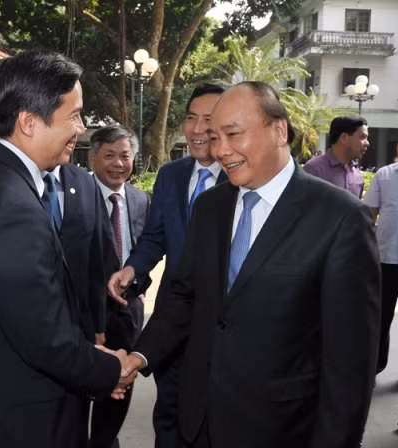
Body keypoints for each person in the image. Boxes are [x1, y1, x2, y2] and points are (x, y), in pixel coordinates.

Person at [118, 82, 380, 448]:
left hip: (282, 428)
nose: (221, 150)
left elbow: (350, 364)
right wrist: (139, 355)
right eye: (215, 137)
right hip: (198, 421)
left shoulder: (341, 217)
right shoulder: (210, 208)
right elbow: (186, 297)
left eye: (233, 134)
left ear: (278, 130)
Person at [0, 49, 125, 448]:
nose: (81, 128)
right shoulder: (10, 206)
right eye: (73, 116)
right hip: (28, 420)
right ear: (29, 122)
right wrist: (112, 369)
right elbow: (45, 338)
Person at [108, 83, 227, 448]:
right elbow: (156, 236)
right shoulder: (171, 175)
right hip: (171, 320)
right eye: (191, 117)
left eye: (209, 119)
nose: (197, 129)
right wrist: (132, 269)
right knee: (170, 414)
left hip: (219, 325)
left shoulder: (241, 180)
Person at [89, 125, 150, 448]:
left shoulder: (141, 199)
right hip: (89, 311)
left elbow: (148, 250)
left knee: (122, 381)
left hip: (128, 311)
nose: (118, 163)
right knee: (84, 383)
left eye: (125, 156)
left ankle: (105, 441)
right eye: (109, 155)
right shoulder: (78, 195)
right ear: (94, 157)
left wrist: (136, 281)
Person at [43, 161, 110, 346]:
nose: (70, 147)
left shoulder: (84, 181)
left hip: (80, 323)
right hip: (31, 323)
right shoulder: (14, 181)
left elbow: (96, 259)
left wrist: (99, 324)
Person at [363, 160, 398, 374]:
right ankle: (374, 367)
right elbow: (370, 214)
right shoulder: (384, 175)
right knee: (381, 317)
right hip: (386, 258)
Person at [303, 115, 369, 198]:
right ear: (344, 138)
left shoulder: (357, 174)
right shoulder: (314, 169)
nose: (367, 143)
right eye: (362, 137)